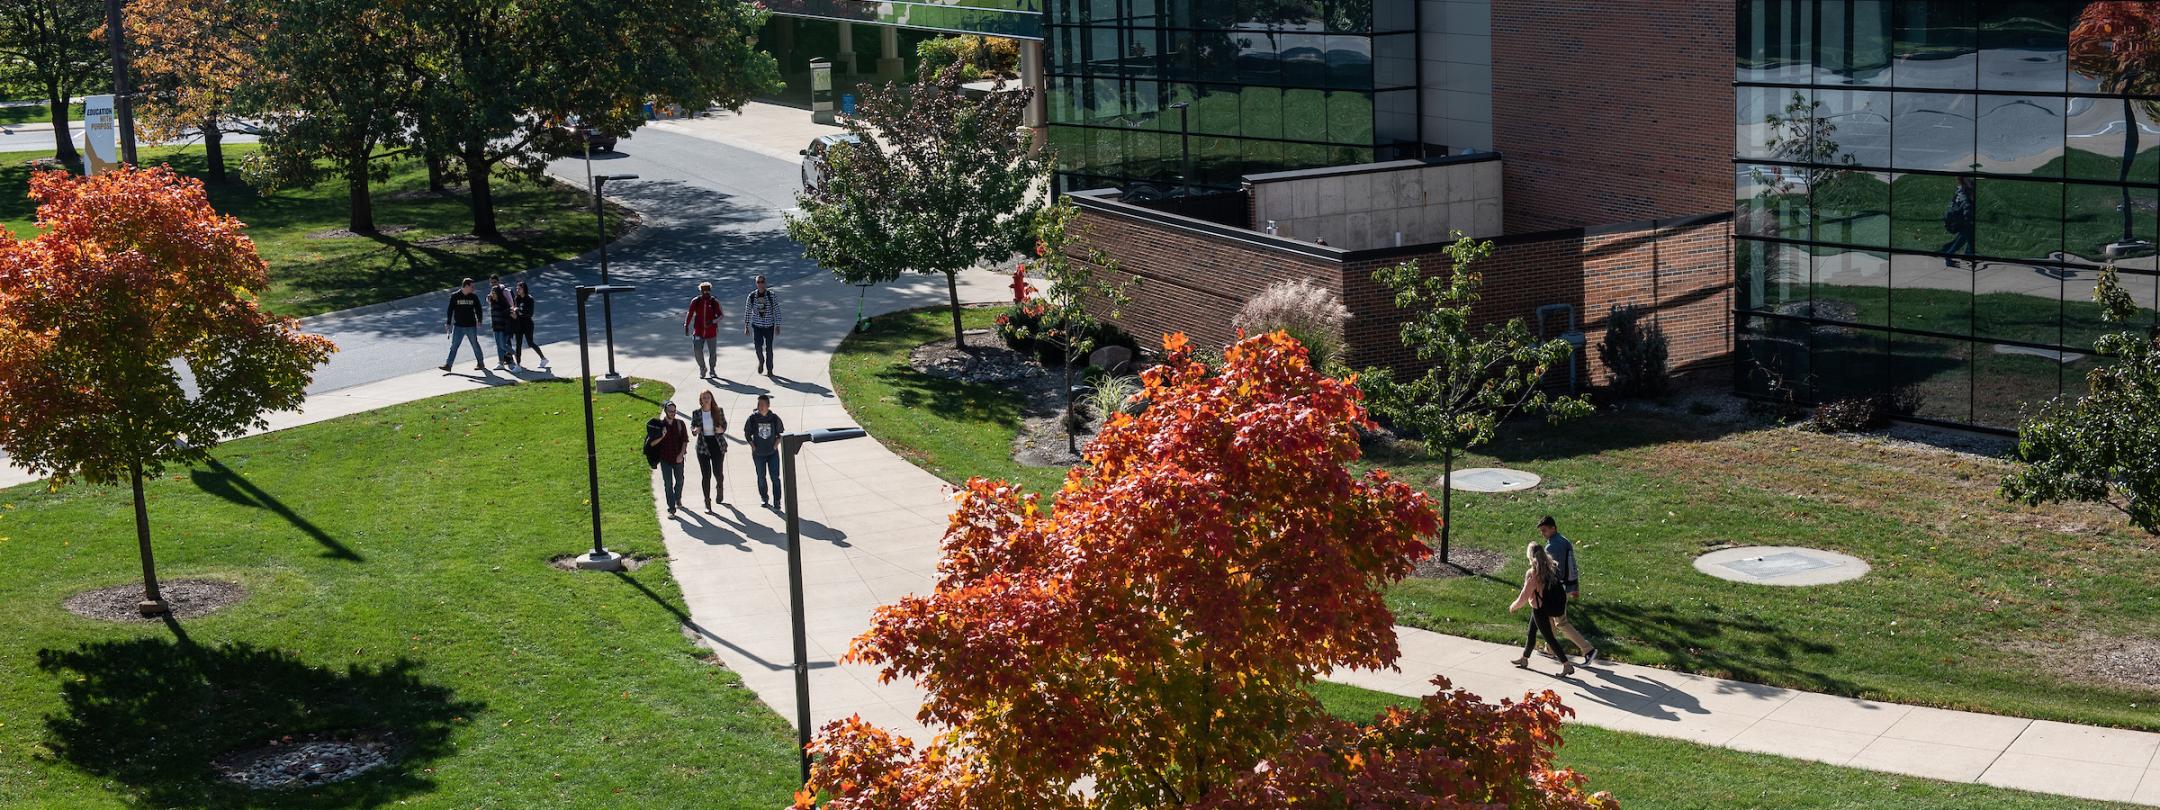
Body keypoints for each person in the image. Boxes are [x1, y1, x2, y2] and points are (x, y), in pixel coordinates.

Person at [1508, 541, 1576, 677]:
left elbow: (1524, 596)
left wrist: (1513, 606)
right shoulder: (1550, 568)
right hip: (1545, 606)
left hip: (1540, 609)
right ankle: (1524, 659)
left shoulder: (1533, 573)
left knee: (1549, 637)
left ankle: (1567, 665)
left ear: (1529, 555)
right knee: (1531, 632)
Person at [1540, 515, 1600, 665]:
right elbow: (1572, 566)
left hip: (1557, 589)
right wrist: (1575, 587)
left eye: (1545, 530)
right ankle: (1550, 648)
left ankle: (1588, 650)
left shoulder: (1552, 547)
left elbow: (1554, 572)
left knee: (1561, 622)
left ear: (1553, 528)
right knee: (1550, 618)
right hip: (1566, 587)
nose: (1543, 533)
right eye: (1541, 531)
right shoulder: (1564, 541)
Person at [646, 401, 691, 517]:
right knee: (668, 484)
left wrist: (681, 455)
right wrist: (662, 436)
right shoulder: (660, 425)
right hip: (665, 459)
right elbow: (651, 443)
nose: (673, 413)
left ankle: (678, 498)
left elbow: (685, 440)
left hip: (678, 458)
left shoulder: (680, 424)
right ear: (666, 411)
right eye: (670, 411)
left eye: (674, 411)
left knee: (680, 480)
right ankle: (671, 508)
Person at [744, 394, 785, 508]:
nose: (760, 407)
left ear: (768, 405)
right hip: (758, 454)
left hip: (772, 453)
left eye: (762, 404)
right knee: (761, 477)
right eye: (759, 404)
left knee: (775, 478)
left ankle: (777, 500)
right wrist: (752, 445)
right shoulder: (752, 418)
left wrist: (776, 445)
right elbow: (747, 434)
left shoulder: (774, 418)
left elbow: (781, 433)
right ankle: (764, 497)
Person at [693, 390, 728, 512]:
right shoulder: (697, 413)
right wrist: (695, 430)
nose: (706, 399)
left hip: (717, 445)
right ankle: (707, 502)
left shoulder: (719, 411)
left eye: (708, 397)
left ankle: (720, 486)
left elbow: (724, 425)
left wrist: (721, 430)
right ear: (701, 400)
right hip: (703, 446)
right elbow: (693, 426)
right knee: (706, 475)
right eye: (704, 398)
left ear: (711, 398)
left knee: (717, 472)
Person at [441, 278, 485, 372]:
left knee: (474, 344)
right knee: (454, 346)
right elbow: (450, 310)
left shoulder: (474, 297)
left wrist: (479, 320)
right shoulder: (455, 296)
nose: (473, 288)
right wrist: (448, 323)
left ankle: (480, 363)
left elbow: (478, 309)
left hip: (471, 325)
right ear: (466, 286)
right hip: (459, 326)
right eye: (472, 286)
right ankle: (448, 365)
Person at [684, 282, 726, 378]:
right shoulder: (696, 301)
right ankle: (702, 368)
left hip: (711, 332)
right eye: (704, 291)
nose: (706, 292)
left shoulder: (714, 301)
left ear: (710, 290)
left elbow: (721, 316)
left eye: (708, 290)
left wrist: (713, 321)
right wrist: (686, 325)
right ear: (701, 291)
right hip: (698, 331)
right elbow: (690, 313)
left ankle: (712, 370)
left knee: (712, 352)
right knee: (697, 350)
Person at [744, 275, 782, 376]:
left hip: (769, 326)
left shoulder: (771, 295)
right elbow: (747, 311)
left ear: (765, 283)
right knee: (758, 347)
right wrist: (746, 325)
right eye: (758, 282)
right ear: (756, 284)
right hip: (757, 326)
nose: (760, 284)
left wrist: (778, 325)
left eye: (762, 282)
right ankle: (761, 361)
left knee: (769, 349)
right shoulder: (752, 296)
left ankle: (770, 369)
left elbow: (777, 310)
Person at [1939, 176, 1976, 268]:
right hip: (1960, 220)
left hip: (1960, 219)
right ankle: (1950, 256)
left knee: (1965, 237)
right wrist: (1969, 217)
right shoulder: (1963, 192)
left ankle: (1967, 255)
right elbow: (1966, 205)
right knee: (1968, 239)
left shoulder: (1964, 187)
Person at [512, 281, 549, 371]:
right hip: (519, 324)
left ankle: (543, 359)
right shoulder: (517, 298)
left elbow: (530, 314)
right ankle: (518, 365)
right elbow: (515, 310)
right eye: (517, 288)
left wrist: (518, 311)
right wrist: (514, 313)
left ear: (524, 289)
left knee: (530, 343)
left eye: (519, 288)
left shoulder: (529, 299)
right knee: (518, 345)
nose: (517, 290)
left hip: (528, 324)